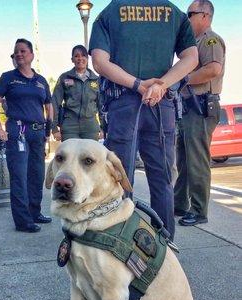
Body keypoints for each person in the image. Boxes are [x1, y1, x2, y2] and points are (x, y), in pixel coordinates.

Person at [89, 1, 198, 240]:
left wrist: (138, 85)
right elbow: (191, 57)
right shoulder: (175, 13)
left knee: (120, 178)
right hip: (161, 104)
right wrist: (161, 85)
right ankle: (165, 244)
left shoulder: (110, 12)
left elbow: (98, 62)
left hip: (124, 103)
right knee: (163, 180)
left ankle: (120, 241)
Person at [0, 38, 53, 233]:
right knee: (19, 176)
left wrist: (48, 131)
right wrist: (0, 129)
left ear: (32, 55)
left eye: (23, 51)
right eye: (16, 52)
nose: (19, 54)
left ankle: (35, 213)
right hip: (18, 132)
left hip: (38, 133)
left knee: (37, 175)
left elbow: (49, 106)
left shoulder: (41, 81)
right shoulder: (8, 78)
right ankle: (23, 221)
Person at [174, 0, 225, 226]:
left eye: (191, 13)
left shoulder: (210, 40)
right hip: (189, 106)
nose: (187, 17)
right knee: (183, 159)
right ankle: (179, 204)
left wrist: (183, 79)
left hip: (201, 105)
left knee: (196, 160)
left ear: (204, 15)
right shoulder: (193, 44)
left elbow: (214, 69)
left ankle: (199, 210)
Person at [52, 45, 103, 141]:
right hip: (70, 126)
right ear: (72, 59)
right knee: (70, 155)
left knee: (90, 155)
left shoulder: (96, 80)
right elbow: (54, 102)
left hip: (90, 126)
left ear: (87, 59)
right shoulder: (64, 78)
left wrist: (103, 127)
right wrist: (54, 128)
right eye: (76, 56)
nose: (80, 58)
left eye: (83, 55)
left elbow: (101, 106)